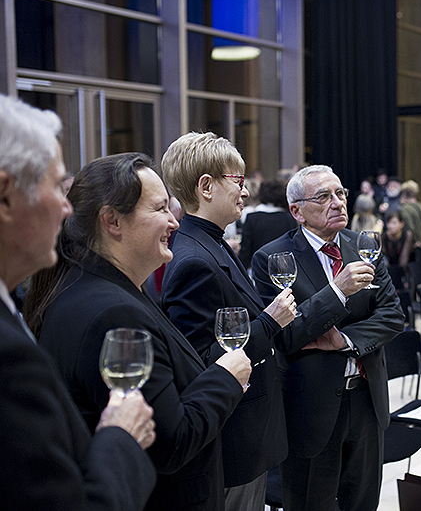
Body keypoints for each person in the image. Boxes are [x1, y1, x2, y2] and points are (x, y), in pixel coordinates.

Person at [26, 153, 252, 511]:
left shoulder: (93, 287)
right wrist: (226, 377)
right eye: (160, 209)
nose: (174, 221)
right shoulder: (114, 314)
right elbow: (170, 441)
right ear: (112, 221)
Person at [0, 95, 157, 511]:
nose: (66, 207)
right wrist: (121, 436)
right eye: (57, 186)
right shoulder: (9, 357)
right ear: (6, 196)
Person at [250, 165, 405, 511]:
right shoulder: (273, 258)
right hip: (310, 408)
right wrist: (338, 291)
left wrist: (344, 340)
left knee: (363, 502)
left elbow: (393, 316)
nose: (337, 202)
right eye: (323, 197)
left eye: (340, 193)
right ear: (297, 211)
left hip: (366, 399)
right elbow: (285, 334)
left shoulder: (364, 246)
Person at [159, 132, 296, 511]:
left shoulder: (211, 241)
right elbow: (202, 362)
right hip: (233, 437)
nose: (245, 192)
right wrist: (270, 322)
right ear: (206, 187)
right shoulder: (193, 261)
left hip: (248, 429)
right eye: (238, 181)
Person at [239, 179, 298, 269]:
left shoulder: (252, 218)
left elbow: (246, 249)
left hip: (257, 265)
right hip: (283, 268)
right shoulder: (289, 219)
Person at [399, 179, 421, 247]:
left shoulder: (405, 209)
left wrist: (416, 240)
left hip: (412, 243)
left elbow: (410, 228)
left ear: (405, 193)